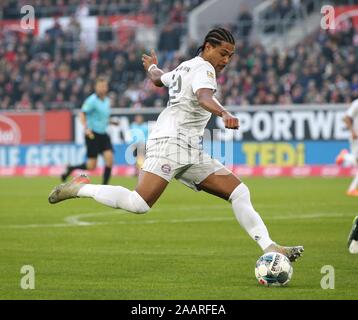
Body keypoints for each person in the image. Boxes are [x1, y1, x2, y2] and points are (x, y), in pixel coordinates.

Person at [49, 28, 304, 262]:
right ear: (207, 47)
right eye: (223, 53)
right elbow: (204, 97)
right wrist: (224, 112)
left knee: (239, 192)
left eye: (231, 56)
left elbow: (160, 79)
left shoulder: (185, 67)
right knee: (139, 204)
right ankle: (79, 189)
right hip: (170, 142)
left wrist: (152, 67)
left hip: (191, 149)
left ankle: (269, 246)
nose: (226, 60)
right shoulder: (204, 69)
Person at [61, 76, 116, 185]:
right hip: (92, 134)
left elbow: (102, 117)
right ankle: (71, 168)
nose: (103, 88)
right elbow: (82, 113)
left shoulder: (107, 101)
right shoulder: (91, 100)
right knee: (91, 166)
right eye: (100, 86)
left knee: (109, 159)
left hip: (103, 135)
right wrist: (86, 128)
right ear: (96, 87)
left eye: (104, 86)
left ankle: (104, 187)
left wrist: (111, 122)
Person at [336, 98, 358, 196]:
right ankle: (345, 156)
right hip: (356, 137)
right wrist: (352, 131)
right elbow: (346, 117)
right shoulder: (356, 104)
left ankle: (352, 189)